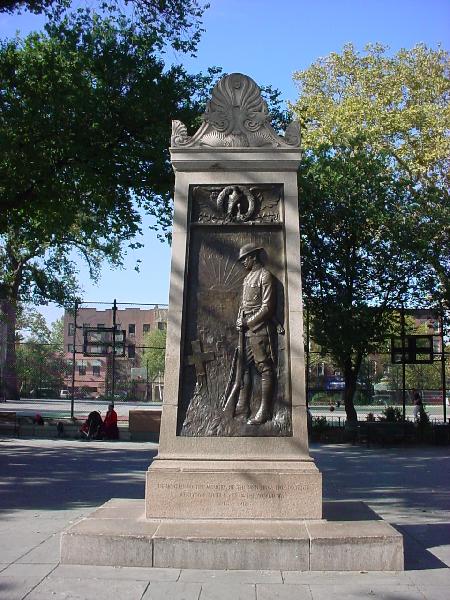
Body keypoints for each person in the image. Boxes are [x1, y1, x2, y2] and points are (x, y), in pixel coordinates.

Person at [226, 243, 276, 425]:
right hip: (245, 331)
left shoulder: (265, 276)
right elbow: (243, 305)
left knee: (264, 368)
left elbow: (267, 308)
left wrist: (248, 322)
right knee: (245, 367)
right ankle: (242, 405)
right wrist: (240, 320)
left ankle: (264, 411)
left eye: (244, 259)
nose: (243, 262)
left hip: (259, 330)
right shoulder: (247, 279)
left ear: (253, 257)